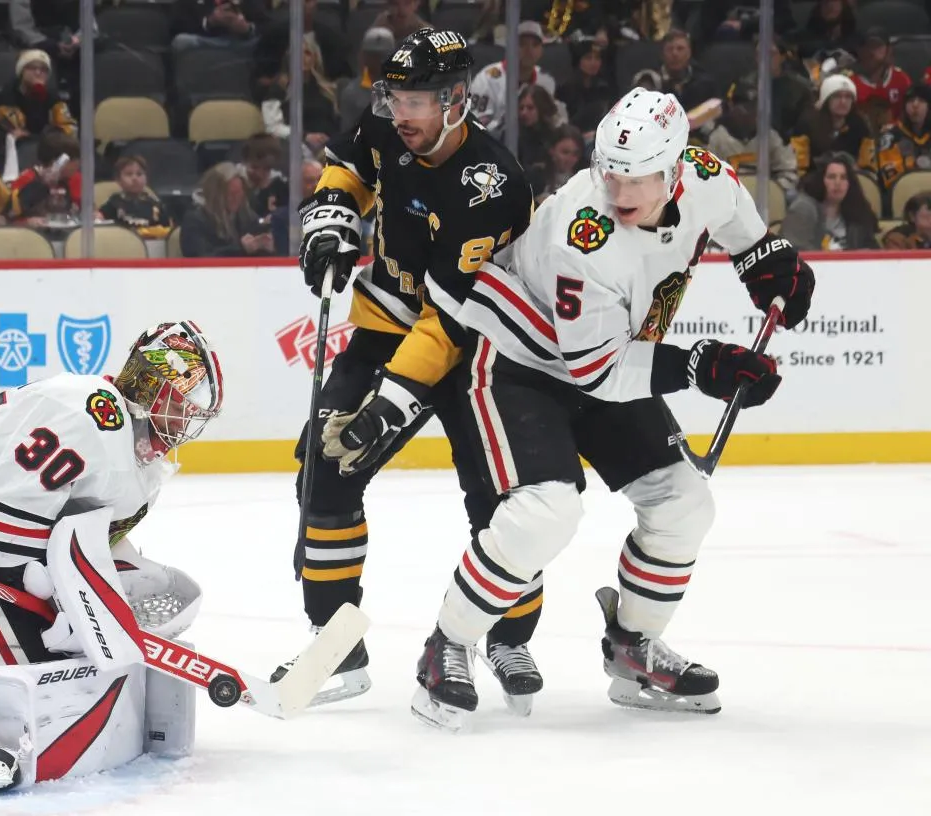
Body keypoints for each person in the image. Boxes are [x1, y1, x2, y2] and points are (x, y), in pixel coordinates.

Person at [406, 88, 814, 731]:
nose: (620, 193)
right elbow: (596, 373)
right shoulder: (583, 235)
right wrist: (702, 364)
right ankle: (447, 646)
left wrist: (766, 260)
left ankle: (633, 648)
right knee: (548, 511)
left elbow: (737, 219)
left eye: (640, 179)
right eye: (611, 174)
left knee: (684, 503)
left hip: (610, 358)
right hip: (521, 365)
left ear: (677, 170)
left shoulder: (706, 176)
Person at [272, 28, 536, 713]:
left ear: (456, 99)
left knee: (502, 500)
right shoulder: (393, 124)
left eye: (417, 99)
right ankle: (337, 645)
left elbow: (447, 323)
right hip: (390, 322)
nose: (401, 114)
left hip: (475, 346)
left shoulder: (493, 184)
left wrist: (386, 407)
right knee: (323, 471)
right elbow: (352, 170)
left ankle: (508, 634)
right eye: (394, 98)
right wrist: (332, 219)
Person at [0, 322, 223, 791]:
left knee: (83, 670)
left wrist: (93, 595)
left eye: (190, 410)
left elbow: (81, 538)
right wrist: (47, 587)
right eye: (177, 403)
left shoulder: (135, 450)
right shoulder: (88, 413)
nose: (183, 420)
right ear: (147, 383)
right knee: (37, 703)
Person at [470, 21, 558, 140]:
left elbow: (551, 120)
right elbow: (476, 124)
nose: (529, 50)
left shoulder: (546, 80)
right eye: (522, 44)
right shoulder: (488, 78)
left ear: (542, 50)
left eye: (535, 45)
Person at [782, 153, 879, 251]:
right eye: (832, 177)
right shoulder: (803, 209)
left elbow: (873, 249)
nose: (838, 183)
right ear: (820, 180)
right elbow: (793, 252)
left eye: (843, 177)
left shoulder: (857, 210)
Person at [180, 162, 274, 257]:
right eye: (232, 194)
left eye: (239, 193)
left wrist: (265, 239)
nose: (237, 198)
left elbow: (257, 231)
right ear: (216, 196)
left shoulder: (244, 216)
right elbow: (201, 258)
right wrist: (241, 249)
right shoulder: (195, 221)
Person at [99, 155, 173, 237]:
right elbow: (100, 221)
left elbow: (168, 230)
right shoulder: (114, 203)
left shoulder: (155, 204)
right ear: (118, 180)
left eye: (139, 174)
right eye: (129, 174)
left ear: (146, 178)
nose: (135, 178)